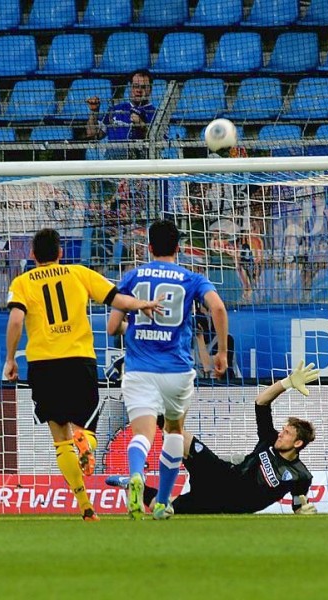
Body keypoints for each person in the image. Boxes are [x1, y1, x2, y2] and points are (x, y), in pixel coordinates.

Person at [4, 228, 162, 521]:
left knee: (60, 440)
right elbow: (117, 299)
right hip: (79, 361)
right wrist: (144, 304)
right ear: (61, 253)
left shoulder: (22, 282)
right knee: (85, 429)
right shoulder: (79, 273)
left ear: (33, 255)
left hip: (43, 365)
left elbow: (16, 319)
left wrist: (10, 358)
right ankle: (87, 444)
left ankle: (85, 506)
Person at [106, 219, 229, 520]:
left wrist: (134, 325)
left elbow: (112, 328)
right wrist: (222, 351)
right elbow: (219, 308)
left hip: (139, 369)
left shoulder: (133, 277)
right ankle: (162, 502)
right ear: (178, 247)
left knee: (143, 435)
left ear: (148, 247)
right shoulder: (191, 278)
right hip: (177, 370)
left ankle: (136, 475)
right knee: (174, 430)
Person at [105, 361, 320, 516]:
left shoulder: (302, 476)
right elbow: (261, 402)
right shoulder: (269, 440)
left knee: (163, 507)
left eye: (287, 433)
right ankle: (141, 385)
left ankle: (133, 486)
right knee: (178, 435)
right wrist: (288, 382)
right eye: (282, 430)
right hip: (222, 475)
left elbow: (299, 505)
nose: (281, 433)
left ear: (298, 443)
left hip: (229, 505)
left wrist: (304, 510)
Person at [86, 69, 156, 159]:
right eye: (135, 86)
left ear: (150, 89)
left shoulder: (157, 114)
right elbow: (93, 134)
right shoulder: (115, 110)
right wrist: (94, 113)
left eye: (143, 87)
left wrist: (142, 126)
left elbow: (159, 144)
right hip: (113, 163)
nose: (138, 90)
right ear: (130, 87)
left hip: (140, 163)